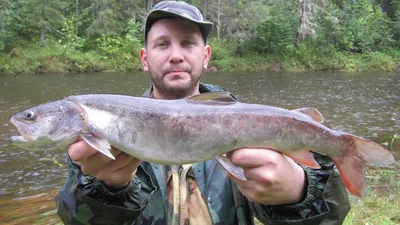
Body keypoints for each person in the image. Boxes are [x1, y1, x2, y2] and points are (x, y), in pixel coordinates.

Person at [56, 1, 350, 224]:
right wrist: (109, 191)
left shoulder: (247, 122)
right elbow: (73, 216)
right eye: (162, 44)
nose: (176, 55)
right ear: (144, 59)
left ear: (205, 56)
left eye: (188, 43)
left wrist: (297, 192)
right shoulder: (107, 130)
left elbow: (334, 213)